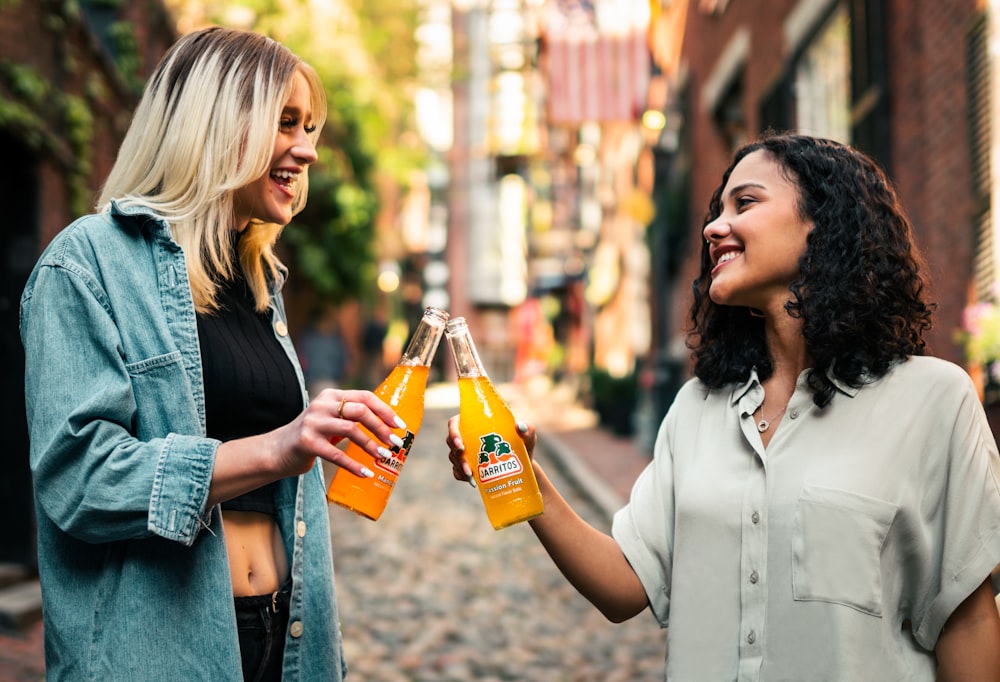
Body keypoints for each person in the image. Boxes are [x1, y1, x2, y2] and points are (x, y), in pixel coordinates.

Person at [446, 133, 1000, 679]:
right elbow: (623, 587)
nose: (714, 226)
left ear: (821, 223)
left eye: (746, 202)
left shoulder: (932, 401)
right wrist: (524, 475)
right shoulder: (696, 408)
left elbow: (966, 622)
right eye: (718, 208)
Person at [20, 27, 406, 681]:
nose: (308, 150)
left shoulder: (261, 283)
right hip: (159, 652)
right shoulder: (88, 264)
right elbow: (80, 480)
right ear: (219, 122)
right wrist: (280, 447)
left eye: (309, 126)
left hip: (284, 638)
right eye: (286, 123)